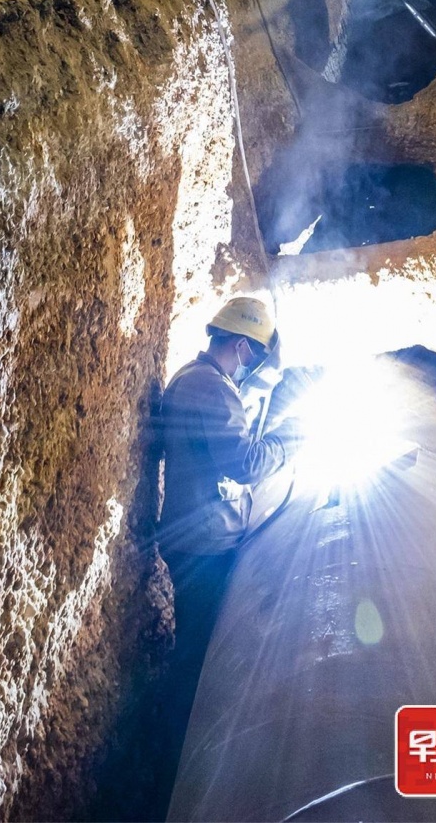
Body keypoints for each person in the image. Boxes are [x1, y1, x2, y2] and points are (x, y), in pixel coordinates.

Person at [159, 294, 293, 725]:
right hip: (204, 543)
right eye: (250, 354)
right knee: (201, 658)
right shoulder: (211, 387)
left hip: (197, 535)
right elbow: (245, 462)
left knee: (197, 650)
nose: (248, 364)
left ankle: (181, 730)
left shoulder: (194, 378)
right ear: (240, 345)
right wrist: (289, 442)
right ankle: (183, 738)